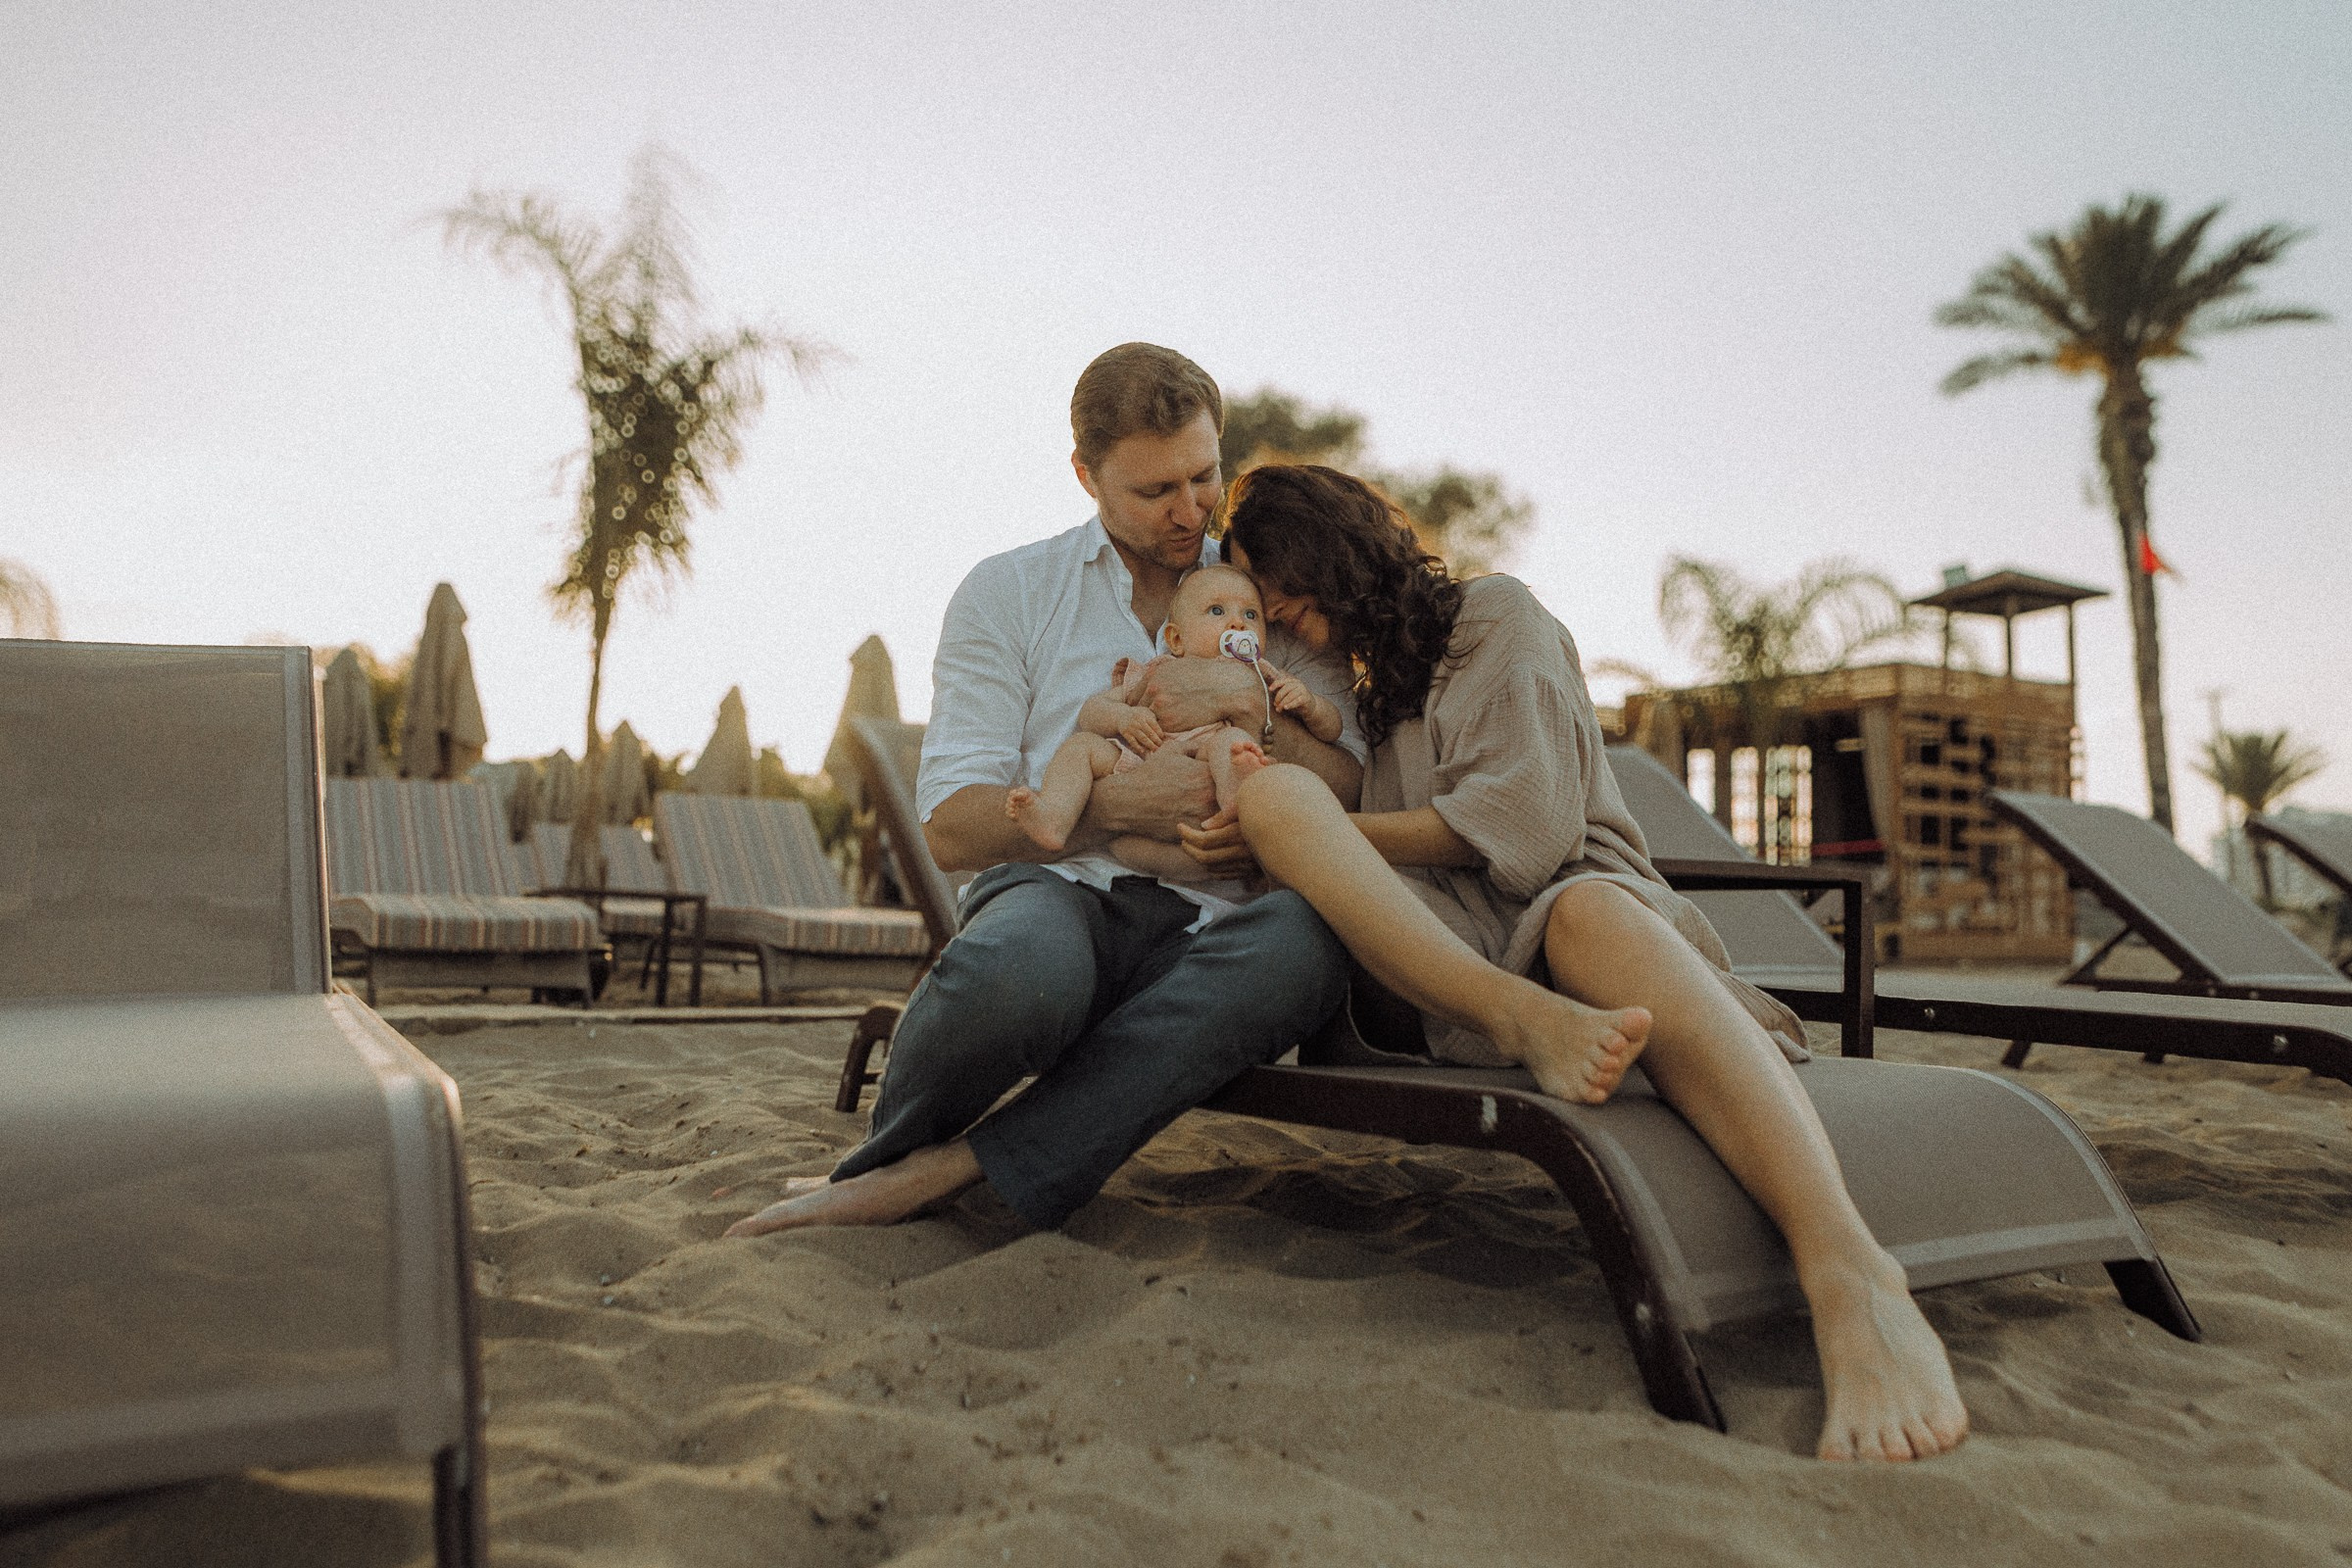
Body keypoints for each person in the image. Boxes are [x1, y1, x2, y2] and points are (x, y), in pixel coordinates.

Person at [1214, 464, 1970, 1464]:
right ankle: (1531, 1017)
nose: (1292, 628)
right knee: (1275, 808)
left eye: (1294, 601)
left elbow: (1523, 828)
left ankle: (1851, 1272)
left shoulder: (1493, 618)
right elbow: (1362, 808)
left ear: (1339, 559)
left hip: (1568, 899)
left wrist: (1341, 838)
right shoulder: (1370, 684)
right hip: (1456, 948)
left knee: (1581, 920)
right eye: (1272, 616)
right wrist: (1295, 782)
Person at [724, 344, 1364, 1238]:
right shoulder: (1010, 592)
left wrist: (1249, 716)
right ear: (1085, 476)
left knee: (1309, 948)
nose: (1190, 513)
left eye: (1204, 476)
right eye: (1154, 492)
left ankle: (937, 1174)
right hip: (1063, 887)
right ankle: (892, 1159)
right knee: (1016, 975)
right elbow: (950, 826)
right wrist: (1110, 807)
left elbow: (1351, 783)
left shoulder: (1264, 585)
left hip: (1223, 916)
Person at [1005, 561, 1342, 882]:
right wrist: (1124, 717)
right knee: (1082, 748)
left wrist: (1311, 706)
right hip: (1141, 761)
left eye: (1251, 614)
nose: (1238, 624)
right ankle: (1055, 816)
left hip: (1211, 763)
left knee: (1235, 743)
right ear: (1177, 639)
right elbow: (1091, 713)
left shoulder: (1262, 675)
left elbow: (1333, 729)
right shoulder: (1155, 671)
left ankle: (1236, 808)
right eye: (1217, 611)